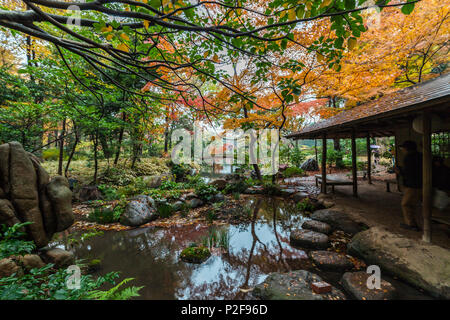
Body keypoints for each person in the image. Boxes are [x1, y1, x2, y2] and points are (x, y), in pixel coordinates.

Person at [394, 140, 422, 231]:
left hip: (413, 185)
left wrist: (400, 171)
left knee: (406, 204)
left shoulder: (409, 158)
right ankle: (413, 223)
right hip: (421, 184)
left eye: (403, 148)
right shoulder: (420, 156)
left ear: (406, 149)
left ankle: (411, 225)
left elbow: (410, 173)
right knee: (414, 204)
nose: (402, 150)